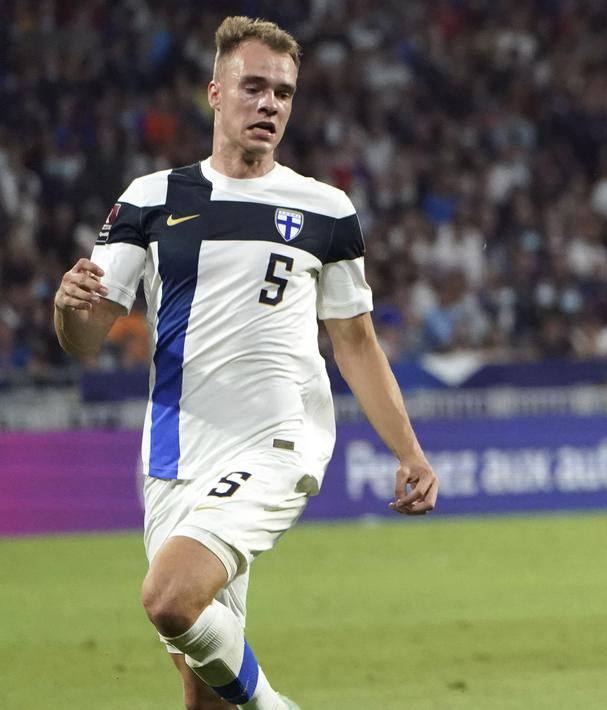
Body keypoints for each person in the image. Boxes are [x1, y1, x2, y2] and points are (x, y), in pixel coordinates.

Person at [52, 16, 439, 710]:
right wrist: (66, 308)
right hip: (172, 456)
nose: (269, 105)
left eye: (283, 93)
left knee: (169, 599)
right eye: (253, 87)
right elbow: (85, 340)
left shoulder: (325, 210)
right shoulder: (149, 199)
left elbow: (354, 341)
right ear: (215, 93)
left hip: (275, 443)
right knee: (202, 691)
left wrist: (407, 450)